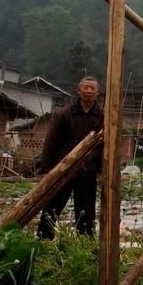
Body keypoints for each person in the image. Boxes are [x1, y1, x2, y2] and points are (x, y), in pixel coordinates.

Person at [36, 76, 104, 239]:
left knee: (86, 211)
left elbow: (105, 146)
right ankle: (43, 240)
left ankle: (84, 244)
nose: (89, 91)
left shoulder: (102, 116)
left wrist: (102, 171)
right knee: (52, 207)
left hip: (87, 172)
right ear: (78, 91)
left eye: (92, 88)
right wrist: (46, 169)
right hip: (63, 169)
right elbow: (50, 142)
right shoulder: (64, 114)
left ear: (98, 93)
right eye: (85, 88)